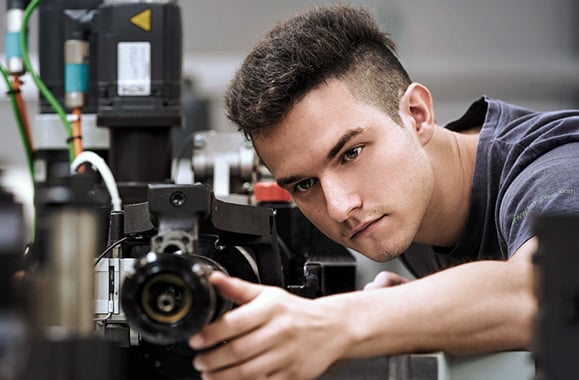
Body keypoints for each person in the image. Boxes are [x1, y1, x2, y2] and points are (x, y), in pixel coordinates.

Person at [187, 4, 579, 380]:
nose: (341, 207)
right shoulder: (408, 209)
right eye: (304, 184)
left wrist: (339, 322)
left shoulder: (556, 165)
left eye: (351, 153)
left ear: (417, 115)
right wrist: (418, 310)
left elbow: (549, 294)